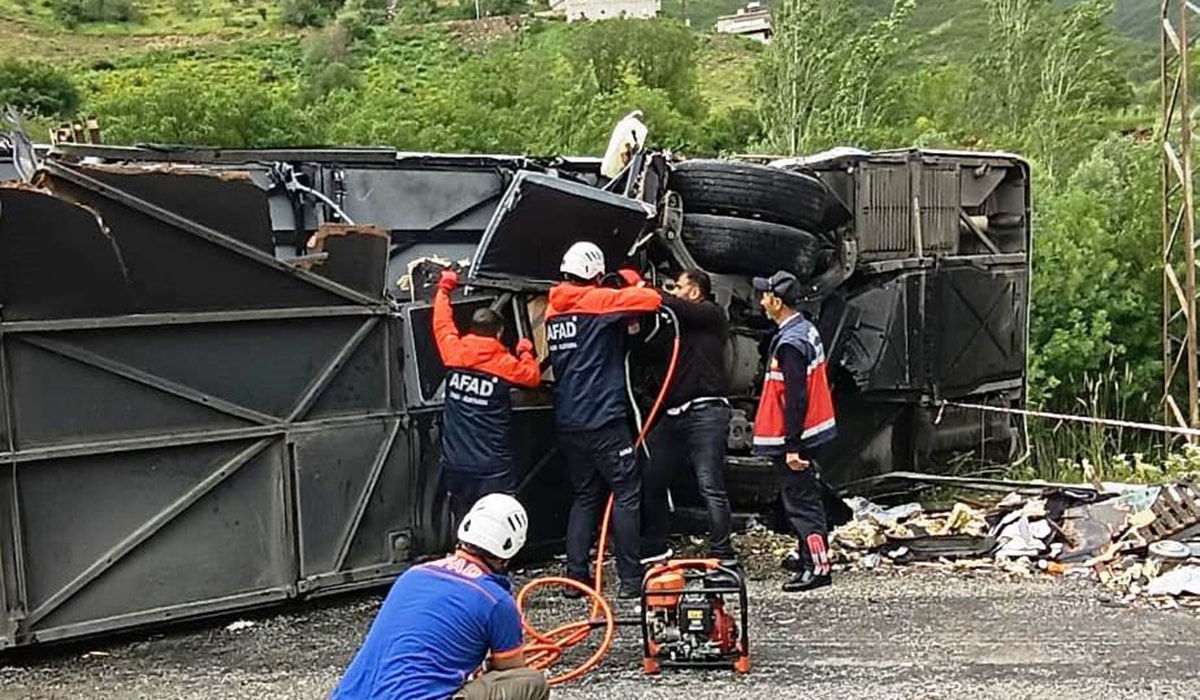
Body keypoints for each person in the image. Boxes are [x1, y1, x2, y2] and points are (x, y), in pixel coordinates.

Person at [331, 493, 549, 700]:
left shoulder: (415, 574)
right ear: (509, 553)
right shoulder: (495, 601)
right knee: (532, 682)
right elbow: (510, 672)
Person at [545, 241, 663, 599]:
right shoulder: (596, 302)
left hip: (568, 420)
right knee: (627, 493)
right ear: (595, 275)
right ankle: (629, 579)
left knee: (585, 496)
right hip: (603, 419)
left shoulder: (553, 310)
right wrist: (630, 284)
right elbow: (652, 301)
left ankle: (576, 578)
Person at [640, 269, 736, 566]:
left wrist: (647, 290)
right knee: (649, 476)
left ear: (695, 292)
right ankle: (655, 547)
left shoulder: (712, 315)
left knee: (709, 483)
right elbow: (650, 350)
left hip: (706, 411)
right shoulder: (674, 327)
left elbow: (676, 306)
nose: (676, 292)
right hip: (674, 415)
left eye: (679, 287)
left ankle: (723, 553)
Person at [750, 270, 838, 593]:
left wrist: (791, 446)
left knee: (802, 503)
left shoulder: (791, 343)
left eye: (765, 296)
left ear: (777, 300)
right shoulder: (804, 329)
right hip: (811, 432)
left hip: (798, 437)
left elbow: (795, 399)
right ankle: (808, 557)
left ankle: (818, 567)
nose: (761, 302)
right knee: (800, 498)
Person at [434, 269, 541, 525]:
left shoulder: (454, 352)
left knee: (463, 523)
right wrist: (526, 351)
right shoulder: (504, 364)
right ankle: (493, 566)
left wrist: (444, 290)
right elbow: (533, 377)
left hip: (455, 463)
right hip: (492, 468)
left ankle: (465, 563)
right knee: (496, 524)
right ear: (499, 333)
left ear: (472, 329)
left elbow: (442, 323)